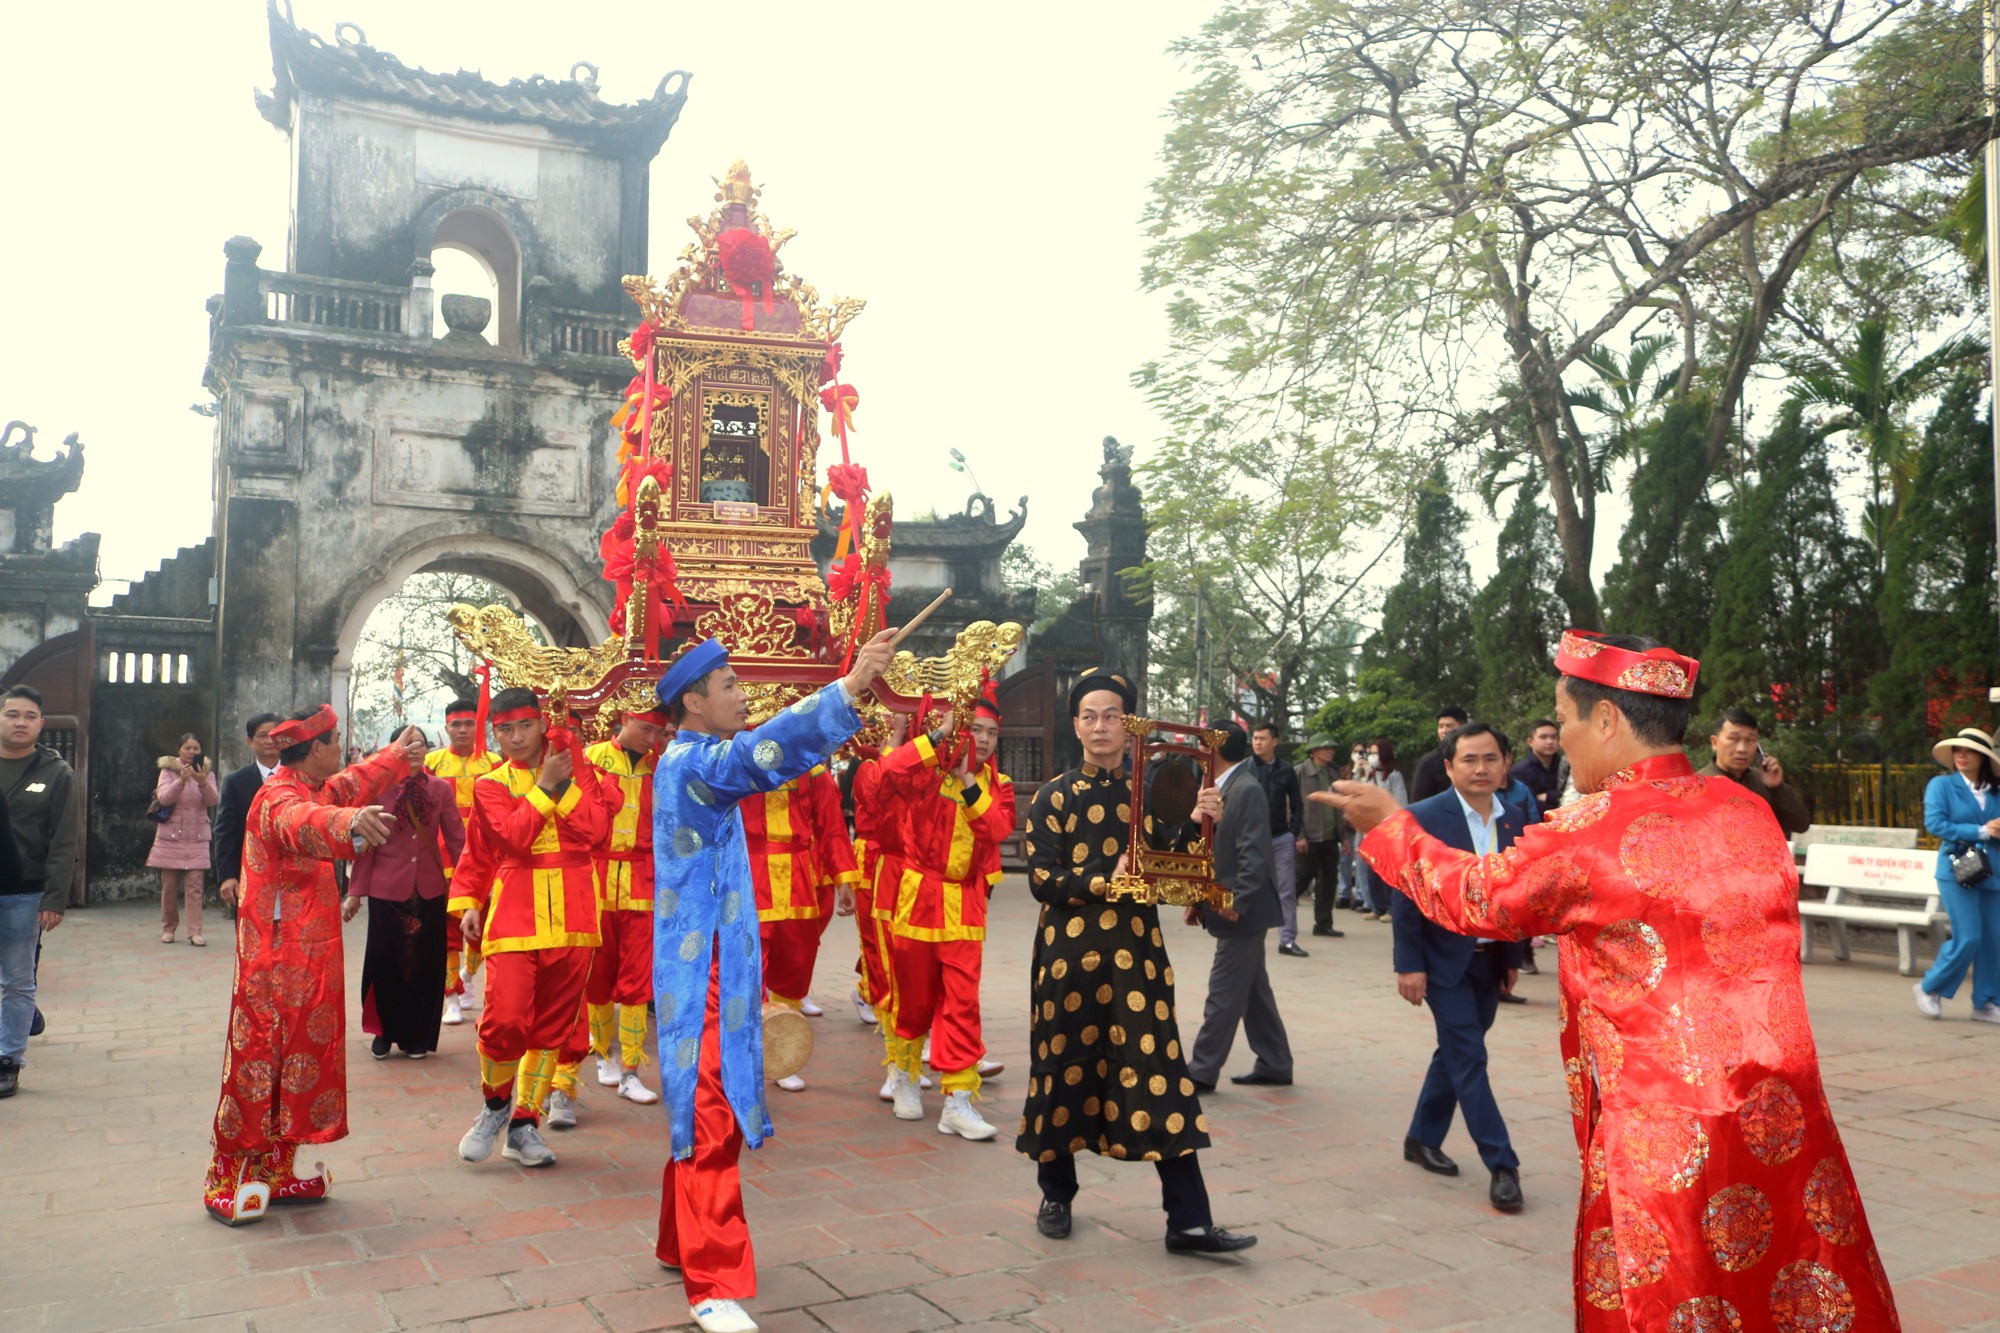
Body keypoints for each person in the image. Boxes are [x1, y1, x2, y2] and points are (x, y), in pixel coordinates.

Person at [1315, 630, 1900, 1329]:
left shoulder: (1589, 827)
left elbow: (1481, 898)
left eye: (1564, 720)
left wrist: (1391, 828)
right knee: (1786, 1278)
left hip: (1661, 1132)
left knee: (1667, 1293)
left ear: (1606, 720)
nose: (1562, 738)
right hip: (1776, 1108)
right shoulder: (1746, 808)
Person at [650, 629, 898, 1333]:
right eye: (729, 686)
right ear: (694, 702)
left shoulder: (692, 756)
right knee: (712, 1111)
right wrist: (848, 687)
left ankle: (679, 1241)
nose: (741, 695)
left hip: (717, 960)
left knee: (705, 1102)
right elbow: (763, 755)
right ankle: (711, 1281)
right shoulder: (692, 764)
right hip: (699, 970)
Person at [1017, 667, 1256, 1256]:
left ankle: (1190, 1221)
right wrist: (1105, 881)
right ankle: (1056, 1193)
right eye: (1090, 716)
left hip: (1137, 961)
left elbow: (1173, 868)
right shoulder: (1055, 797)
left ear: (1131, 729)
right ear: (1075, 726)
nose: (1101, 727)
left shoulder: (1148, 795)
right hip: (1068, 961)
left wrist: (1203, 824)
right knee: (1062, 1069)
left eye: (1113, 717)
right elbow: (1043, 879)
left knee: (1160, 1074)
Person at [202, 705, 414, 1225]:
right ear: (314, 749)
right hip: (272, 961)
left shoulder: (316, 785)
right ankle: (223, 1178)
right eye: (336, 740)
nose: (341, 748)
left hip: (312, 954)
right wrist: (349, 823)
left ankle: (278, 1170)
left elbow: (350, 783)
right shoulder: (277, 797)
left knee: (302, 1062)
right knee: (259, 1062)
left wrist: (396, 755)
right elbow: (307, 823)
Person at [452, 688, 609, 1164]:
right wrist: (547, 786)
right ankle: (495, 1106)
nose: (516, 738)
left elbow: (598, 831)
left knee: (551, 1025)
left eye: (524, 726)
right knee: (505, 1018)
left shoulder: (578, 770)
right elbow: (511, 841)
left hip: (577, 911)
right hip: (516, 908)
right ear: (493, 733)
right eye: (504, 730)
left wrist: (562, 783)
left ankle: (524, 1124)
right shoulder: (491, 784)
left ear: (543, 724)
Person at [1390, 721, 1524, 1213]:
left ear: (1505, 763)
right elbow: (1407, 892)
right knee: (1469, 1057)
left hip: (1491, 960)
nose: (1481, 768)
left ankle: (1421, 1137)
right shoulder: (1422, 816)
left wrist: (1511, 957)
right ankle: (1502, 1164)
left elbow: (1515, 896)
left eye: (1490, 758)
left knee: (1455, 1051)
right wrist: (1409, 964)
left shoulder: (1515, 819)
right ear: (1449, 767)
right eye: (1469, 759)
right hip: (1442, 961)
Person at [874, 683, 1015, 1136]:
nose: (985, 739)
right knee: (913, 999)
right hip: (919, 898)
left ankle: (957, 1098)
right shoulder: (926, 776)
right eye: (975, 729)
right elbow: (888, 772)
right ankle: (906, 1076)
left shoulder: (1000, 786)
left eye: (992, 732)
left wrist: (970, 782)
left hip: (967, 903)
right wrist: (937, 739)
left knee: (962, 1002)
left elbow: (995, 830)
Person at [741, 740, 858, 1090]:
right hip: (751, 877)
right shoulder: (739, 761)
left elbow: (832, 828)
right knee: (749, 969)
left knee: (794, 965)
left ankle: (782, 1051)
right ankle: (747, 1053)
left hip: (797, 878)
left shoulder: (813, 770)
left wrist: (843, 879)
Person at [344, 727, 463, 1060]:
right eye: (406, 744)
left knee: (426, 963)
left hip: (429, 889)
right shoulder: (378, 790)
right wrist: (356, 892)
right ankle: (383, 1032)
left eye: (420, 744)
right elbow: (364, 844)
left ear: (428, 750)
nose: (414, 749)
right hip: (386, 889)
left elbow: (457, 839)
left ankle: (417, 1035)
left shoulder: (440, 789)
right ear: (393, 750)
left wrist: (472, 888)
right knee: (385, 961)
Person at [1187, 723, 1293, 1092]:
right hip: (1227, 902)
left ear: (1214, 749)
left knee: (1224, 991)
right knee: (1252, 990)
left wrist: (1237, 899)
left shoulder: (1245, 789)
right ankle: (1276, 1062)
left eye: (1202, 744)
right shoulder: (1222, 787)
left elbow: (1255, 853)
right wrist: (1201, 901)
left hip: (1241, 908)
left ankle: (1200, 1070)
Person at [578, 705, 668, 1105]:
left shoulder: (662, 766)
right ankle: (602, 1053)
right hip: (595, 877)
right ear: (624, 720)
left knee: (637, 977)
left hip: (643, 880)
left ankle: (631, 1068)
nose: (650, 740)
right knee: (597, 972)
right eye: (644, 729)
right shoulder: (592, 759)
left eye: (657, 732)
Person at [0, 685, 75, 1101]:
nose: (20, 722)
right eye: (12, 714)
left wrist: (54, 898)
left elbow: (64, 840)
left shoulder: (55, 772)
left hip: (24, 892)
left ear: (40, 724)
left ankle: (8, 1059)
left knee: (17, 979)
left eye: (29, 716)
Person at [1913, 727, 2000, 1024]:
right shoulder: (1941, 785)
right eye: (1957, 750)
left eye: (1970, 750)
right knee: (1969, 936)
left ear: (1984, 757)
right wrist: (1981, 831)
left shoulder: (1997, 790)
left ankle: (1986, 1002)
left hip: (1994, 871)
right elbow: (1935, 823)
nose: (1962, 755)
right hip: (1957, 869)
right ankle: (1930, 987)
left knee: (1993, 939)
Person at [427, 699, 502, 1026]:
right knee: (447, 934)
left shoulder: (495, 762)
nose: (461, 730)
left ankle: (468, 976)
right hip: (442, 858)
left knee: (483, 928)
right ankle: (452, 997)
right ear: (446, 728)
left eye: (468, 724)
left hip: (485, 857)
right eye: (455, 724)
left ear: (478, 726)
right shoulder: (432, 762)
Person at [149, 733, 221, 946]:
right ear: (179, 750)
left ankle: (194, 932)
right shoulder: (168, 771)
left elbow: (213, 800)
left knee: (195, 887)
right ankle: (168, 928)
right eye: (187, 748)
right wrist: (180, 781)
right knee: (169, 887)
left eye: (196, 748)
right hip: (172, 837)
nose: (192, 752)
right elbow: (164, 798)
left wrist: (202, 783)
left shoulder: (206, 773)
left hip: (197, 836)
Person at [214, 713, 283, 925]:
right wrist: (227, 876)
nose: (269, 740)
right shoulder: (236, 782)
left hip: (292, 880)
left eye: (274, 735)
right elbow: (225, 831)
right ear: (250, 741)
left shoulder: (298, 777)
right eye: (262, 735)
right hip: (250, 878)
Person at [1700, 708, 1812, 837]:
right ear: (1714, 743)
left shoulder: (1763, 781)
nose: (1742, 749)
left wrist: (1777, 788)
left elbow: (1800, 825)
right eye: (1733, 739)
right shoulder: (1697, 785)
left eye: (1750, 740)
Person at [1249, 720, 1308, 957]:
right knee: (1250, 887)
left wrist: (1292, 832)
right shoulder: (1246, 769)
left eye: (1262, 738)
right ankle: (1250, 937)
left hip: (1281, 838)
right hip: (1253, 839)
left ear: (1274, 741)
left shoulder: (1286, 770)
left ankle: (1287, 941)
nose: (1258, 742)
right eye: (1254, 738)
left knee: (1286, 890)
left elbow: (1297, 804)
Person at [1294, 734, 1347, 939]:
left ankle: (1323, 923)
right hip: (1308, 836)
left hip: (1330, 836)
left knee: (1328, 881)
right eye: (1325, 748)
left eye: (1332, 749)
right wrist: (1299, 835)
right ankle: (1277, 913)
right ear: (1313, 751)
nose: (1330, 752)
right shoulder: (1299, 772)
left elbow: (1339, 807)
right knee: (1301, 877)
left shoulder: (1334, 774)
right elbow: (1292, 806)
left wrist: (1343, 837)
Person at [1356, 738, 1406, 919]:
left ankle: (1390, 909)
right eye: (1370, 753)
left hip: (1389, 829)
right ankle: (1377, 907)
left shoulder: (1393, 775)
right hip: (1370, 830)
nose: (1371, 757)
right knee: (1372, 871)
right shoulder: (1368, 775)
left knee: (1387, 872)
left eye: (1375, 753)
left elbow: (1400, 801)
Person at [1407, 705, 1468, 804]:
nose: (1444, 731)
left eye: (1449, 726)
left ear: (1463, 727)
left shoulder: (1476, 756)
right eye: (1441, 726)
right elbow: (1419, 803)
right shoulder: (1428, 763)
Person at [1510, 718, 1563, 820]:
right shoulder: (1520, 771)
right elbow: (1530, 805)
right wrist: (1556, 797)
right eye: (1543, 737)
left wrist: (1547, 796)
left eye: (1554, 737)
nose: (1550, 741)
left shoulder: (1566, 765)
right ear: (1530, 741)